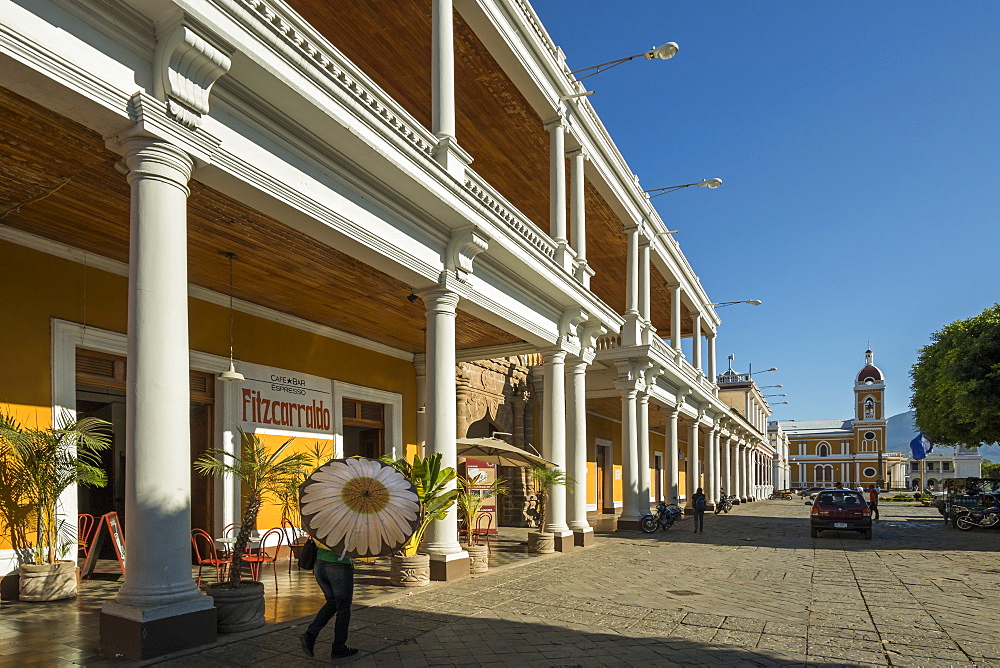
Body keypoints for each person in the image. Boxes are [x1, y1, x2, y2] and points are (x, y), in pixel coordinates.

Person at [301, 540, 358, 659]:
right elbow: (349, 550)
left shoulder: (326, 521)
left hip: (319, 564)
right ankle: (338, 648)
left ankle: (311, 634)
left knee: (332, 602)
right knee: (343, 608)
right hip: (338, 565)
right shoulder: (350, 525)